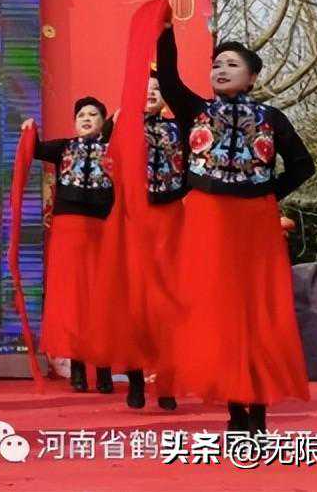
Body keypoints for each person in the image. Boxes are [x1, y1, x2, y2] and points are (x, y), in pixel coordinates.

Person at [156, 27, 315, 433]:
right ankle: (235, 410)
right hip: (207, 219)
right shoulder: (195, 110)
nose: (221, 70)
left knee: (258, 311)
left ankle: (257, 410)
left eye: (232, 64)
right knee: (216, 310)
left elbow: (303, 165)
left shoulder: (271, 118)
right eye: (216, 65)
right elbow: (169, 80)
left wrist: (266, 194)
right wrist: (165, 30)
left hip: (254, 224)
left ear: (252, 77)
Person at [22, 98, 116, 395]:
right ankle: (77, 368)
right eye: (81, 115)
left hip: (104, 228)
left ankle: (104, 368)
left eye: (93, 114)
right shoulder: (63, 147)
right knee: (74, 299)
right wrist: (30, 129)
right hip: (69, 230)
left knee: (102, 299)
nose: (86, 118)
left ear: (103, 121)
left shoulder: (115, 147)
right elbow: (35, 149)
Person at [127, 71, 184, 411]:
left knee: (167, 304)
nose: (150, 92)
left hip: (170, 218)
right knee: (134, 302)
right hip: (132, 219)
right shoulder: (122, 125)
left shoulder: (179, 128)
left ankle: (167, 383)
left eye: (157, 88)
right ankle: (135, 377)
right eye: (144, 87)